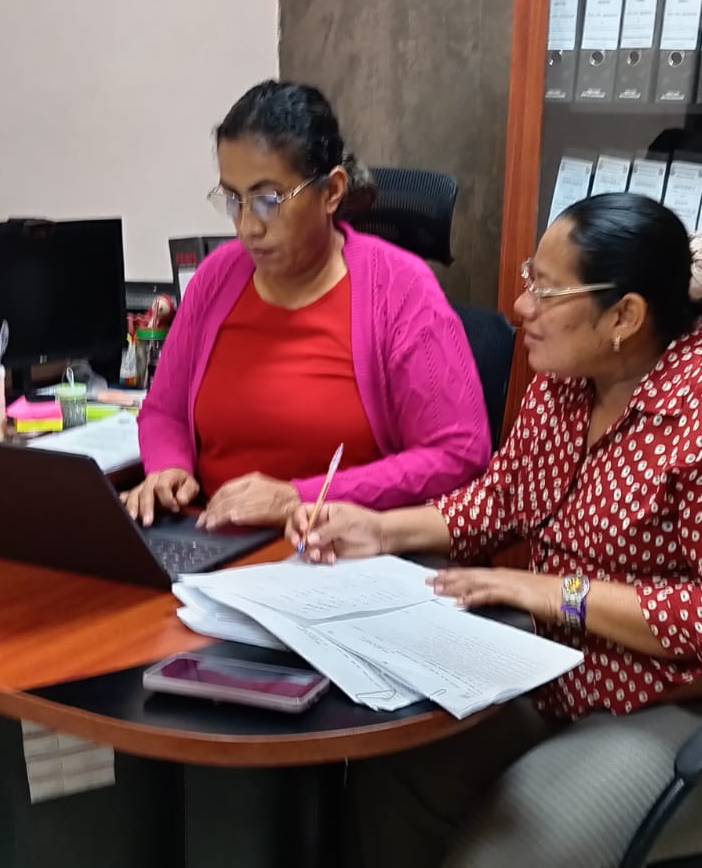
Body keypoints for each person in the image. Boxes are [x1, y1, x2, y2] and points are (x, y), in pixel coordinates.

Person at [291, 192, 702, 868]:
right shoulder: (565, 387)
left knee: (509, 849)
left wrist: (554, 592)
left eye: (546, 290)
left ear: (624, 316)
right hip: (582, 682)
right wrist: (377, 528)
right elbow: (501, 500)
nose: (520, 306)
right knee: (399, 771)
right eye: (527, 279)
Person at [124, 80, 490, 532]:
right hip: (211, 544)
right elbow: (165, 410)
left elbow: (459, 453)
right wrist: (168, 467)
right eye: (233, 200)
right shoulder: (217, 277)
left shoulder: (401, 291)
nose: (247, 227)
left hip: (336, 549)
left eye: (267, 201)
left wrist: (301, 497)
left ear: (332, 191)